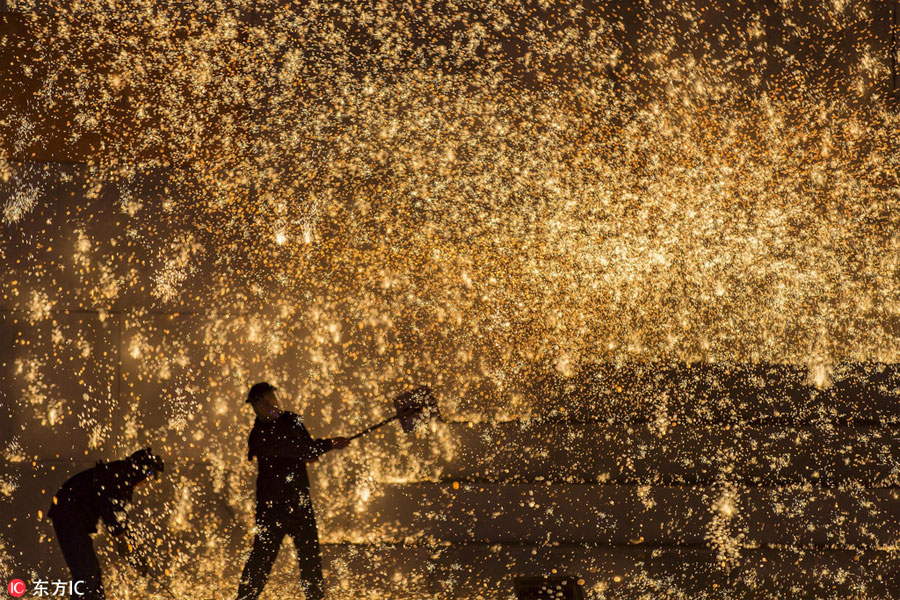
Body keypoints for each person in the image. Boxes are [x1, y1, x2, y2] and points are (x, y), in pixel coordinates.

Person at [236, 382, 350, 600]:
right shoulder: (259, 435)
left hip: (298, 503)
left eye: (267, 400)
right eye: (259, 403)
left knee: (310, 560)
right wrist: (329, 444)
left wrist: (316, 449)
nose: (265, 406)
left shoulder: (292, 420)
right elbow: (298, 449)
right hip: (273, 508)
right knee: (261, 560)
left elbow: (305, 451)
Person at [48, 447, 165, 600]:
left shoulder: (121, 474)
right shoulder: (121, 477)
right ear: (142, 470)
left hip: (71, 516)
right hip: (69, 516)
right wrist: (122, 541)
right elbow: (110, 511)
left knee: (89, 574)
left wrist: (133, 553)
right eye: (149, 474)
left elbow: (120, 519)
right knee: (87, 574)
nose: (146, 481)